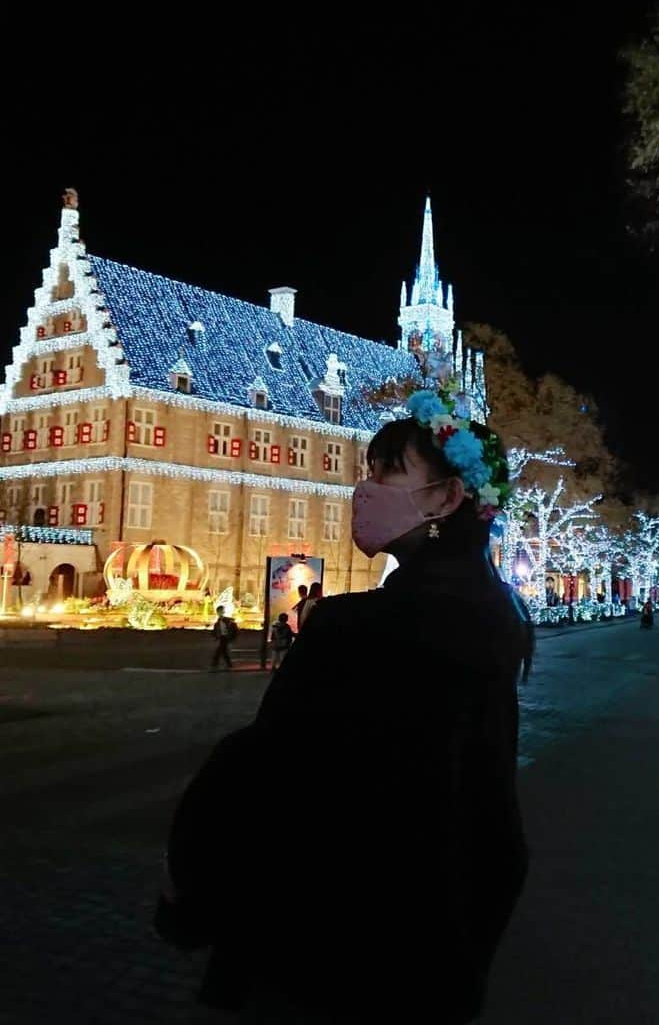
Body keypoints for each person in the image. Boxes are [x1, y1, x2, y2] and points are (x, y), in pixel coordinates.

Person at [156, 387, 529, 1024]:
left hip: (320, 940)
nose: (365, 487)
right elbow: (492, 824)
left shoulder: (359, 628)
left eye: (387, 471)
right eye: (366, 470)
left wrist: (202, 892)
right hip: (433, 946)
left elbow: (262, 777)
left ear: (446, 498)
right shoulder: (499, 619)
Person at [209, 606, 236, 671]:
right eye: (218, 612)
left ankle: (215, 663)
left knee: (219, 650)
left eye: (221, 611)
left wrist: (231, 636)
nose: (219, 613)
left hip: (226, 637)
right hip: (222, 637)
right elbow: (216, 630)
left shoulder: (227, 621)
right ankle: (229, 664)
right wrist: (215, 636)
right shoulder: (218, 622)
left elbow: (233, 629)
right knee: (223, 651)